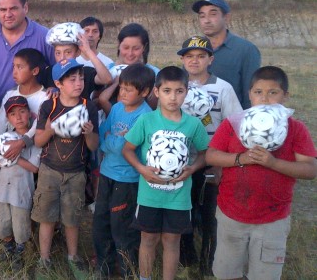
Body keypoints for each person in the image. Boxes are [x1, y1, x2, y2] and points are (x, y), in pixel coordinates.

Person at [207, 66, 317, 280]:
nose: (265, 98)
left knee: (265, 274)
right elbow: (211, 156)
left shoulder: (295, 128)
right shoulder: (234, 124)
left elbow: (310, 169)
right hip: (232, 213)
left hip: (272, 218)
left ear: (286, 96)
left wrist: (273, 163)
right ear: (249, 95)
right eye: (258, 92)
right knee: (227, 272)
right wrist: (240, 158)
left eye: (273, 92)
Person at [122, 66, 209, 280]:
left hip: (178, 197)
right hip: (149, 195)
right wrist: (142, 169)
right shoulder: (147, 121)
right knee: (148, 239)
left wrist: (192, 168)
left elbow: (205, 153)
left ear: (186, 92)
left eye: (179, 91)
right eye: (167, 91)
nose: (173, 97)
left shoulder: (193, 124)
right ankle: (144, 277)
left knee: (172, 241)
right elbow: (127, 149)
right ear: (157, 92)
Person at [176, 36, 242, 275]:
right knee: (184, 211)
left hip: (211, 162)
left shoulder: (223, 88)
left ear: (210, 59)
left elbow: (236, 125)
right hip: (180, 162)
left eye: (201, 56)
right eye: (189, 56)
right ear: (182, 59)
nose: (195, 61)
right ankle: (186, 258)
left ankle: (208, 262)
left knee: (210, 215)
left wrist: (222, 165)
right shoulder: (177, 86)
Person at [32, 59, 99, 279]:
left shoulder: (88, 106)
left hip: (76, 172)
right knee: (46, 217)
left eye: (81, 78)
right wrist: (51, 129)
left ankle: (73, 258)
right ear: (58, 83)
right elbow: (39, 141)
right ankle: (44, 259)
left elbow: (93, 146)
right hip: (49, 170)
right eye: (72, 79)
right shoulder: (48, 106)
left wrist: (88, 132)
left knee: (72, 218)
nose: (78, 83)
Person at [92, 63, 155, 277]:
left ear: (145, 92)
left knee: (122, 228)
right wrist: (115, 140)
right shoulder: (117, 108)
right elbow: (102, 135)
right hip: (107, 173)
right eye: (122, 88)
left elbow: (121, 148)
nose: (123, 93)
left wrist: (114, 140)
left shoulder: (144, 116)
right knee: (101, 221)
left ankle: (128, 270)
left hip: (128, 180)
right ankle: (105, 268)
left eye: (129, 89)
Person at [0, 0, 54, 117]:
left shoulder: (45, 37)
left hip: (31, 112)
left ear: (25, 8)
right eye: (3, 10)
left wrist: (52, 86)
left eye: (13, 8)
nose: (8, 14)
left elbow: (59, 67)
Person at [0, 96, 41, 263]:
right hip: (3, 188)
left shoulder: (34, 141)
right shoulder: (4, 137)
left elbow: (35, 168)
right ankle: (7, 245)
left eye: (22, 112)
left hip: (22, 188)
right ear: (8, 118)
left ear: (30, 114)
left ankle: (22, 249)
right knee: (1, 220)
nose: (18, 117)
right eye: (13, 114)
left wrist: (14, 157)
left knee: (21, 222)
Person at [192, 0, 261, 109]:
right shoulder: (193, 48)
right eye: (202, 16)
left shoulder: (246, 50)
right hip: (195, 119)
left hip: (230, 120)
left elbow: (251, 94)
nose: (206, 20)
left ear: (226, 17)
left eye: (213, 14)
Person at [0, 48, 47, 160]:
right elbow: (1, 124)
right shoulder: (10, 95)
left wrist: (22, 143)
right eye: (13, 66)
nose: (14, 72)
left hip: (34, 159)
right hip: (9, 157)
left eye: (20, 67)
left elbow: (38, 127)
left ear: (35, 71)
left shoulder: (45, 97)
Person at [40, 22, 112, 100]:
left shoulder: (85, 72)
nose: (62, 57)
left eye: (68, 52)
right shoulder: (49, 72)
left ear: (78, 52)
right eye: (58, 53)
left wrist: (88, 51)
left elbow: (106, 79)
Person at [100, 23, 160, 112]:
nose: (130, 53)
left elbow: (153, 109)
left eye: (136, 48)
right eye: (126, 47)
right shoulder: (107, 71)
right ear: (119, 45)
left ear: (144, 47)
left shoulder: (155, 74)